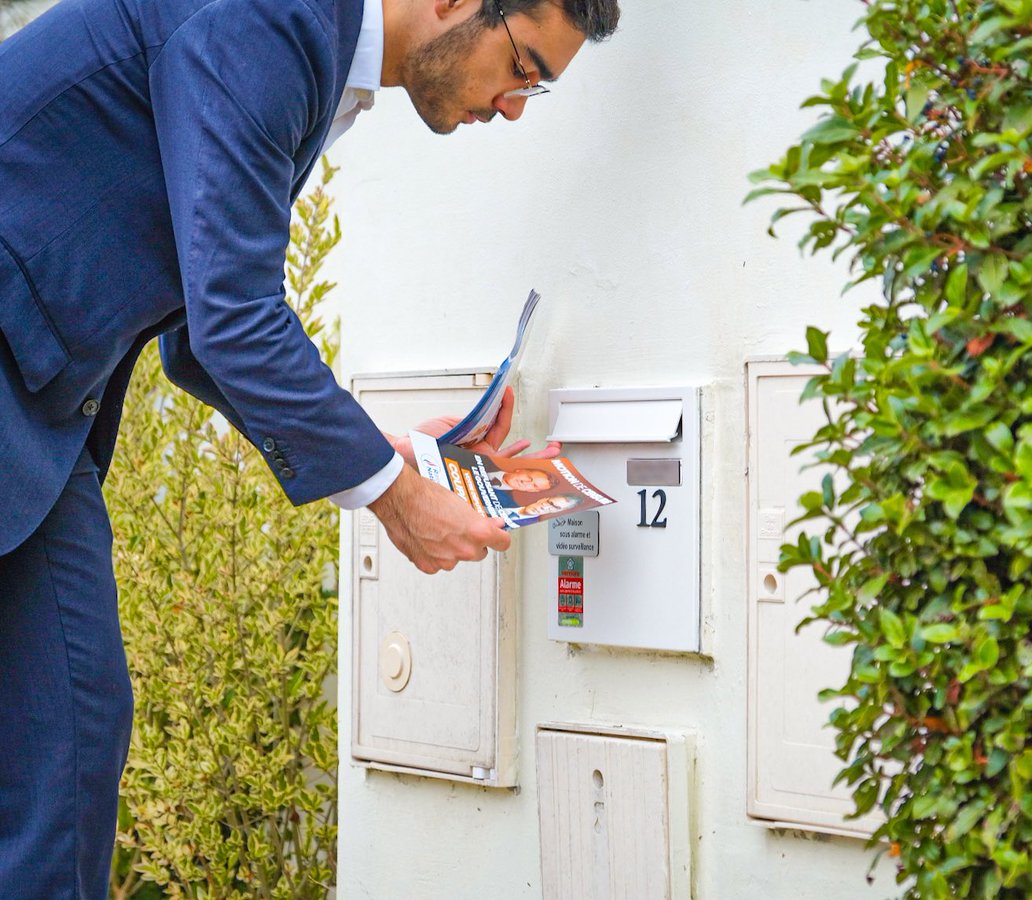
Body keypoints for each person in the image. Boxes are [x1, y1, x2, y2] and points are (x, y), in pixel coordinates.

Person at [0, 0, 619, 894]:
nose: (515, 106)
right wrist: (394, 499)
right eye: (523, 67)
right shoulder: (270, 17)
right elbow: (234, 324)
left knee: (70, 738)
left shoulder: (318, 60)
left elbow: (196, 334)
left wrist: (388, 453)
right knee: (62, 752)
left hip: (37, 418)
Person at [487, 465, 561, 493]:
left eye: (534, 485)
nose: (525, 482)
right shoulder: (487, 460)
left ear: (532, 491)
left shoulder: (505, 505)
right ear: (520, 470)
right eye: (529, 477)